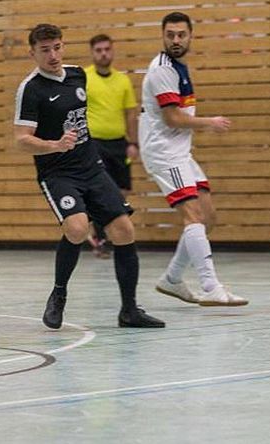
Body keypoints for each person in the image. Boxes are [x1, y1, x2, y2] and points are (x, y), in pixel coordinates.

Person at [13, 24, 164, 329]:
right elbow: (21, 138)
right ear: (33, 53)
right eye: (45, 50)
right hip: (57, 173)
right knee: (77, 228)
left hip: (91, 167)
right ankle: (59, 295)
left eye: (57, 47)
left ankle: (129, 310)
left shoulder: (78, 75)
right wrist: (55, 145)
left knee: (124, 230)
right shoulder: (30, 89)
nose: (53, 55)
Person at [140, 12, 247, 307]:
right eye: (170, 35)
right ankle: (211, 287)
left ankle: (172, 279)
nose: (176, 40)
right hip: (163, 152)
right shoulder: (162, 70)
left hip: (180, 152)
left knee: (207, 217)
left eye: (181, 35)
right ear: (162, 36)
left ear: (190, 36)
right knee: (193, 217)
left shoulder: (179, 67)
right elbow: (173, 118)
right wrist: (209, 122)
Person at [84, 33, 139, 258]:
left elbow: (131, 114)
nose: (103, 53)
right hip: (94, 143)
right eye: (99, 50)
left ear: (112, 50)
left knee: (120, 192)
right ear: (92, 53)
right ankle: (101, 239)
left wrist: (133, 143)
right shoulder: (84, 78)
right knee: (99, 191)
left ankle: (110, 233)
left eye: (107, 49)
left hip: (119, 143)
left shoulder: (122, 80)